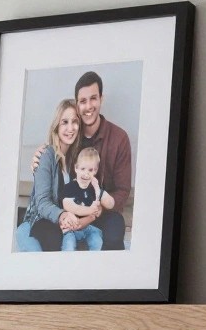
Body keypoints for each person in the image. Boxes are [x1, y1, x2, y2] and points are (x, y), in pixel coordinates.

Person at [29, 71, 132, 251]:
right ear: (77, 104)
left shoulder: (119, 138)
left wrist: (100, 208)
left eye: (93, 98)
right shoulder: (73, 136)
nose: (88, 106)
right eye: (83, 101)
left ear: (101, 99)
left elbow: (123, 190)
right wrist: (39, 155)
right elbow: (55, 152)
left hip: (104, 210)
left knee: (115, 234)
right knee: (58, 239)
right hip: (73, 207)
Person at [15, 99, 86, 252]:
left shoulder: (76, 160)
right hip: (40, 222)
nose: (70, 128)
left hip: (63, 225)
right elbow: (42, 202)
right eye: (64, 122)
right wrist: (62, 215)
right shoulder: (46, 154)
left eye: (75, 122)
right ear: (56, 126)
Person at [60, 147, 114, 251]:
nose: (86, 173)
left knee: (97, 240)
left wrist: (100, 195)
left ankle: (93, 264)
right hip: (71, 227)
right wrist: (90, 210)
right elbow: (69, 206)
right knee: (69, 244)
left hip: (88, 227)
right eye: (82, 169)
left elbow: (110, 204)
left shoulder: (94, 188)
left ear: (95, 171)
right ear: (76, 168)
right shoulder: (70, 187)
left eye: (90, 170)